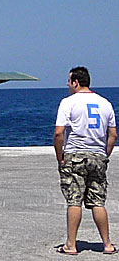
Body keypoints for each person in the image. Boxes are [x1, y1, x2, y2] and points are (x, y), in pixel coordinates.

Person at [54, 67, 117, 255]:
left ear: (76, 82)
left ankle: (71, 245)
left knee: (74, 200)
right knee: (98, 201)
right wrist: (104, 154)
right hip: (98, 156)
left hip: (75, 156)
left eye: (69, 81)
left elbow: (59, 133)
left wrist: (60, 157)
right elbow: (112, 135)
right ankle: (107, 244)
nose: (67, 84)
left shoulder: (68, 102)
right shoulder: (105, 103)